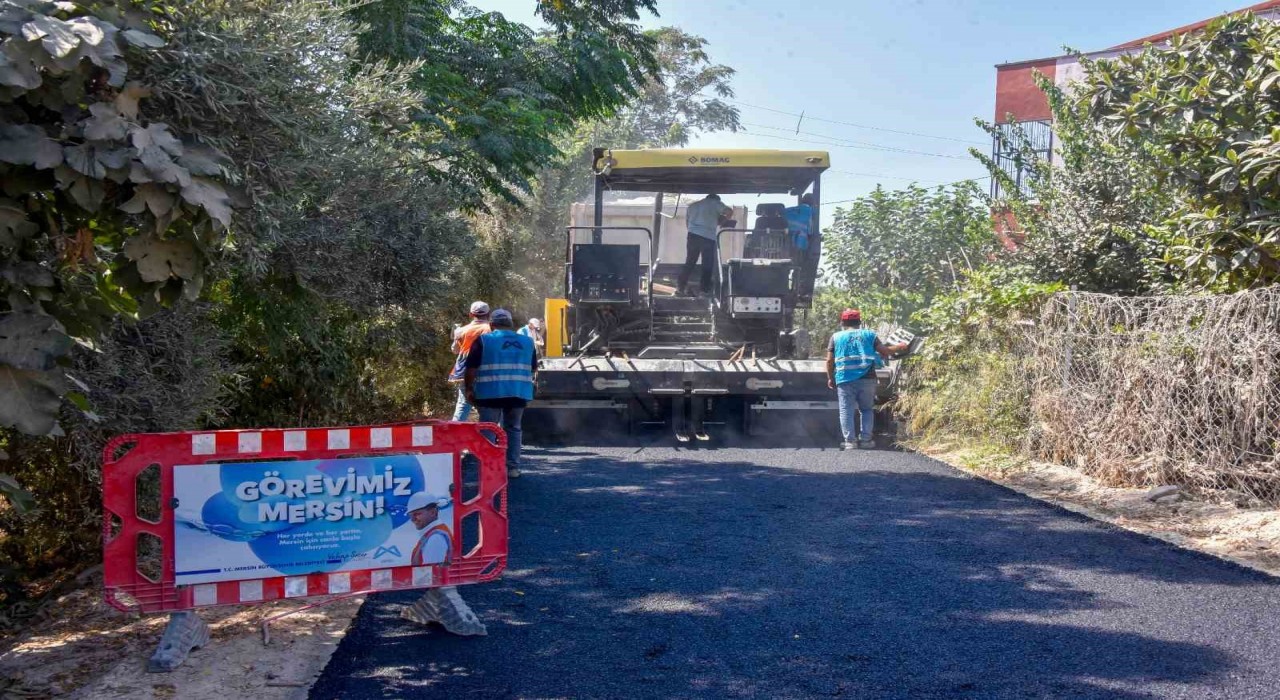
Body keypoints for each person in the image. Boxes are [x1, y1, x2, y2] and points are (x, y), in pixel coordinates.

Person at [464, 309, 538, 478]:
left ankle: (489, 467)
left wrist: (469, 388)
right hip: (518, 392)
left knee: (488, 429)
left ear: (491, 324)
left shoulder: (484, 340)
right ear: (511, 324)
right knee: (513, 429)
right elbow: (533, 367)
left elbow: (471, 368)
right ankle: (512, 468)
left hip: (490, 393)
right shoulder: (527, 342)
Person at [826, 308, 908, 450]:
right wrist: (900, 347)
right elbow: (885, 351)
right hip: (867, 378)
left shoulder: (836, 337)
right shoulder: (869, 335)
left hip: (844, 379)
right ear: (860, 322)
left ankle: (850, 442)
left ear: (843, 322)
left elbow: (829, 361)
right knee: (866, 409)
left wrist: (830, 378)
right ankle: (866, 440)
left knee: (846, 410)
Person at [677, 193, 732, 297]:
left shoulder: (693, 206)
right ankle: (704, 290)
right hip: (707, 237)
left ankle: (680, 288)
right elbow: (729, 212)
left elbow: (687, 224)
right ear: (716, 199)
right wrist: (722, 221)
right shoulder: (716, 203)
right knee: (707, 264)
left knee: (690, 262)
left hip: (692, 236)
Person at [449, 301, 490, 421]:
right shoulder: (490, 329)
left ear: (471, 314)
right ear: (488, 314)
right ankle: (488, 436)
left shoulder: (461, 330)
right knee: (488, 409)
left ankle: (453, 434)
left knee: (462, 406)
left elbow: (455, 350)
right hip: (485, 372)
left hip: (465, 373)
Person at [406, 491, 453, 566]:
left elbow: (430, 572)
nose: (413, 519)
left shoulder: (436, 538)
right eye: (411, 515)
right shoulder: (432, 534)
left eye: (417, 514)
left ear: (433, 512)